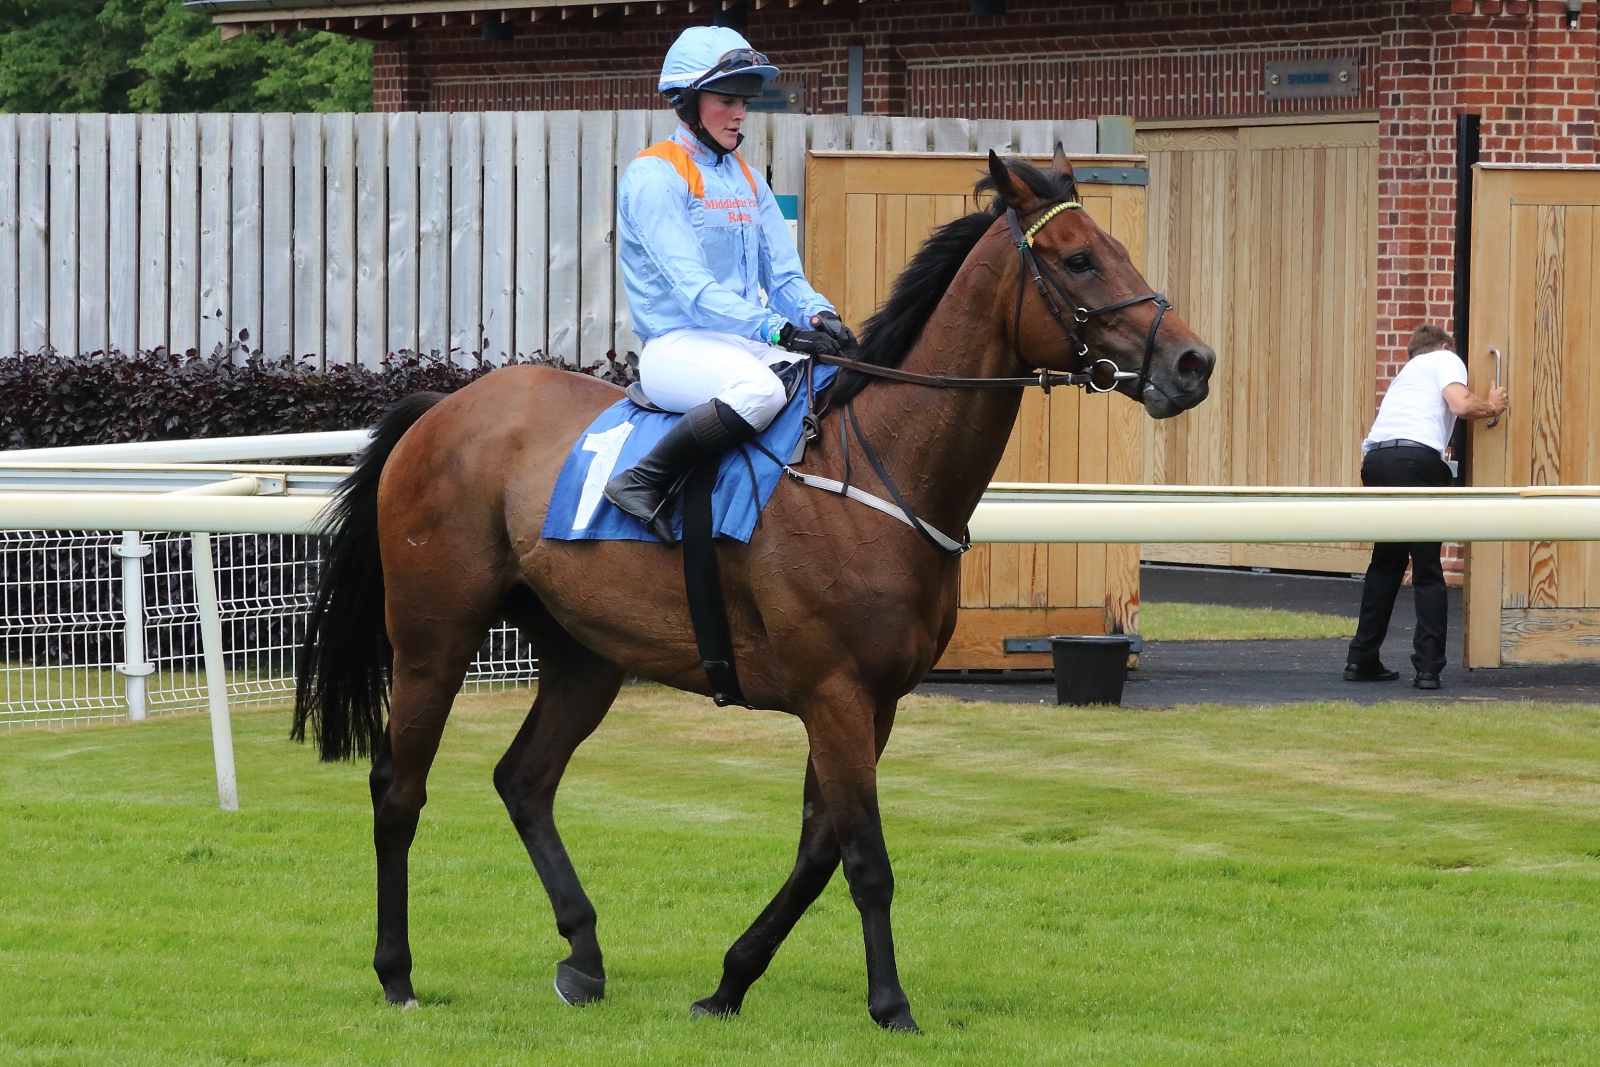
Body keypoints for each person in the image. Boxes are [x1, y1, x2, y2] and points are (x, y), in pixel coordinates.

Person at [603, 26, 854, 544]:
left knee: (831, 375)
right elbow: (695, 292)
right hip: (677, 345)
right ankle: (643, 480)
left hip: (740, 340)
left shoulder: (748, 178)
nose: (739, 114)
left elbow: (783, 277)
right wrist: (779, 331)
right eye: (726, 101)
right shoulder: (654, 176)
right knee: (759, 392)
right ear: (687, 102)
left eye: (744, 102)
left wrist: (818, 315)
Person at [1344, 323, 1508, 689]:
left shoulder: (1406, 375)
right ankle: (1428, 668)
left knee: (1386, 562)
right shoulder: (1445, 358)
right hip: (1415, 463)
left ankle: (1361, 658)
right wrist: (1492, 406)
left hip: (1376, 462)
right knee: (1427, 567)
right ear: (1445, 346)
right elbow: (1460, 404)